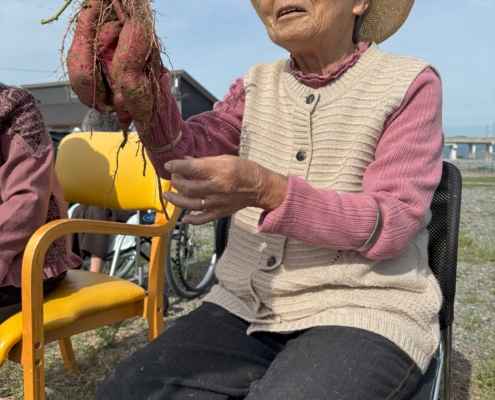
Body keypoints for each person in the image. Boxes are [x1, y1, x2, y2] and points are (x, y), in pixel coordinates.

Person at [95, 0, 444, 398]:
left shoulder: (409, 83)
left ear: (361, 2)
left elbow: (392, 221)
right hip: (245, 304)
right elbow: (186, 156)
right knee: (127, 389)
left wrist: (269, 190)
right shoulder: (255, 86)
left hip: (364, 308)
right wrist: (146, 95)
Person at [0, 83, 82, 324]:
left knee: (96, 215)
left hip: (27, 258)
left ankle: (97, 266)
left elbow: (28, 201)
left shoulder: (14, 105)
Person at [71, 110, 135, 273]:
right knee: (79, 210)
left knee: (97, 208)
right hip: (106, 198)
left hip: (128, 200)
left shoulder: (129, 144)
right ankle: (72, 267)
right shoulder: (98, 151)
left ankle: (95, 272)